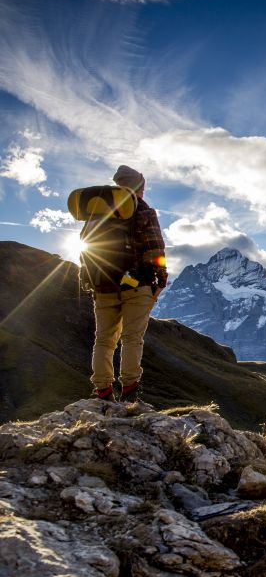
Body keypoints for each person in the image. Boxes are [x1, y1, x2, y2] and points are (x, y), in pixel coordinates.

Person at [87, 165, 168, 402]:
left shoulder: (98, 213)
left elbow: (88, 248)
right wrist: (160, 280)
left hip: (103, 285)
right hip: (137, 285)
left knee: (103, 339)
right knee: (132, 338)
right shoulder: (144, 211)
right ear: (139, 187)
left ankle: (102, 390)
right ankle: (130, 391)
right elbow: (156, 249)